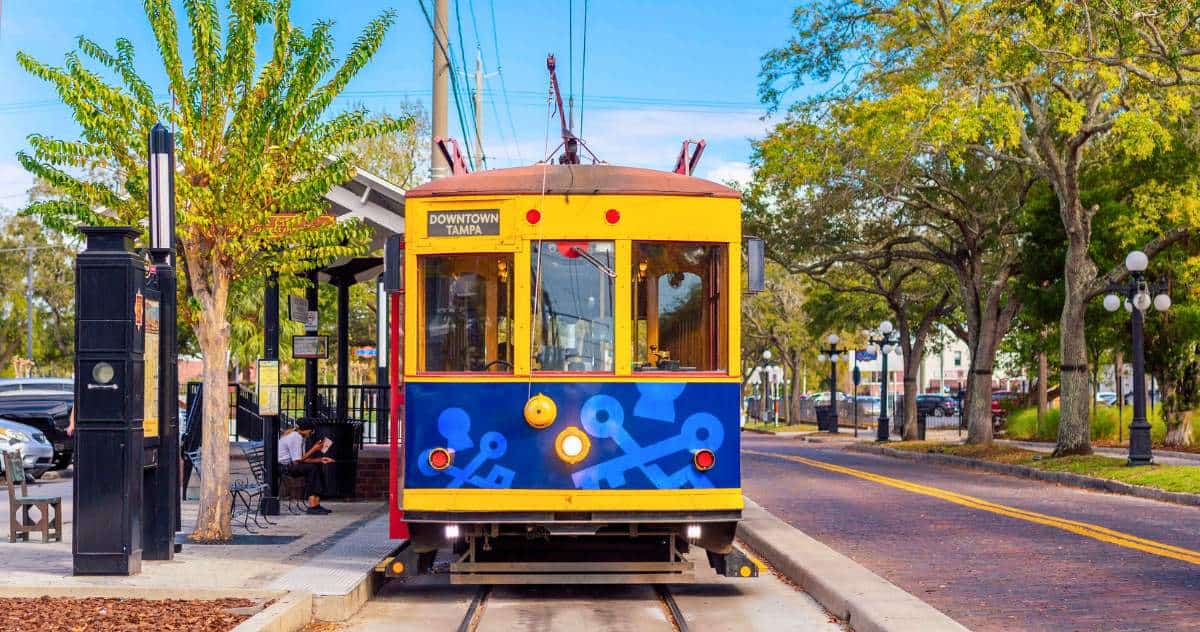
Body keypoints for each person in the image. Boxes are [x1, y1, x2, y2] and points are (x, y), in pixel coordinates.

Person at [278, 419, 336, 515]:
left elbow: (302, 459)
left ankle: (316, 504)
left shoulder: (299, 436)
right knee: (313, 469)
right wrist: (314, 449)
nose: (311, 433)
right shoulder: (296, 437)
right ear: (306, 430)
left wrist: (321, 459)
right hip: (285, 468)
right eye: (311, 431)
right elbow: (297, 460)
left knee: (316, 466)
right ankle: (313, 506)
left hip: (290, 465)